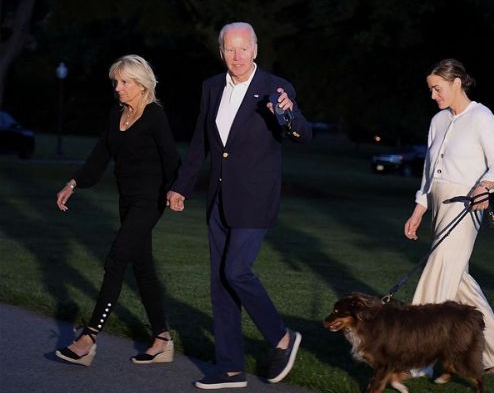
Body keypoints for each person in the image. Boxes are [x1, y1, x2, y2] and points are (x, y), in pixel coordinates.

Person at [166, 22, 311, 389]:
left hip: (255, 199)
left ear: (255, 50)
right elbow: (201, 142)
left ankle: (281, 337)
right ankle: (230, 368)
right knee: (220, 282)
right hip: (218, 199)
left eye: (243, 48)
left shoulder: (275, 88)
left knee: (236, 271)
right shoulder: (211, 87)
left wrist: (288, 114)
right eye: (230, 49)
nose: (237, 56)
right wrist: (181, 186)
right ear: (221, 52)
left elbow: (301, 134)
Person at [55, 55, 180, 366]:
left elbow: (172, 159)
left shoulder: (154, 116)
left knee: (116, 258)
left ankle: (89, 337)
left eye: (124, 82)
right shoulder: (116, 114)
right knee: (143, 267)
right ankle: (162, 339)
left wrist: (179, 191)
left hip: (150, 201)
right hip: (127, 199)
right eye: (116, 82)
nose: (118, 88)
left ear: (141, 85)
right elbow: (100, 156)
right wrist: (74, 182)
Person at [403, 58, 494, 378]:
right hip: (438, 205)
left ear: (457, 83)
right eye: (430, 90)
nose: (433, 95)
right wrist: (419, 208)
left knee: (438, 271)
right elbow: (429, 172)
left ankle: (413, 358)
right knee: (459, 281)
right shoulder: (438, 121)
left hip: (466, 206)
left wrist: (485, 185)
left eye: (437, 88)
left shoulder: (483, 118)